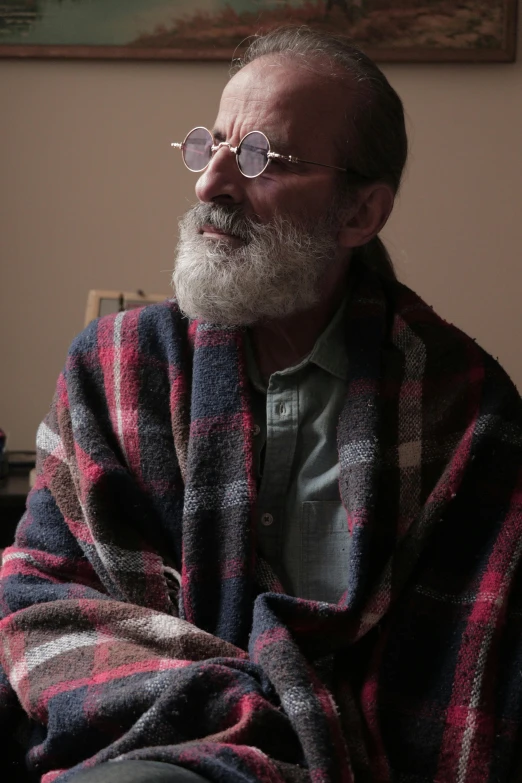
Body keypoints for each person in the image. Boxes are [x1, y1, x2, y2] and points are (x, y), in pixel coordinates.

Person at [1, 25, 522, 783]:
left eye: (258, 158)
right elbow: (39, 591)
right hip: (152, 744)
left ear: (359, 213)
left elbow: (483, 657)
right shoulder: (112, 367)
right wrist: (237, 714)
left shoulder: (463, 408)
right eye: (210, 145)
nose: (209, 183)